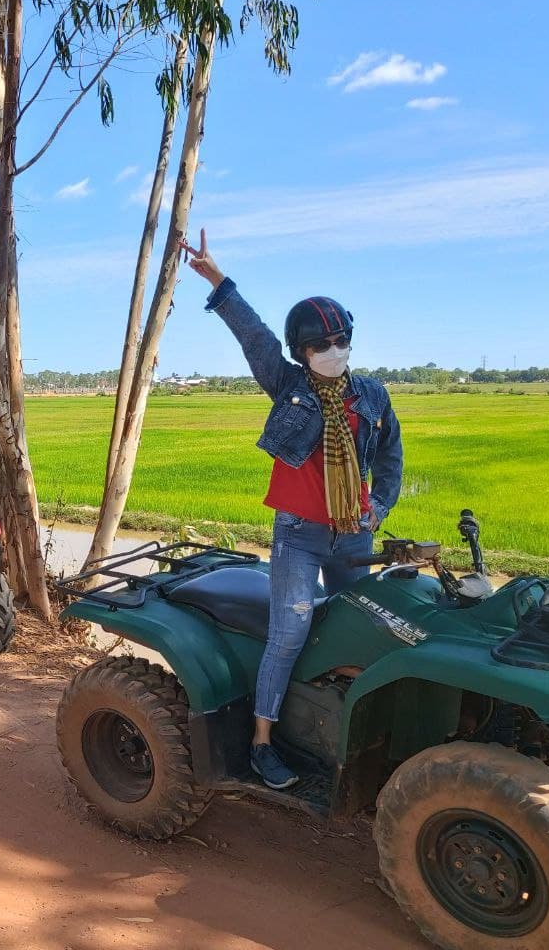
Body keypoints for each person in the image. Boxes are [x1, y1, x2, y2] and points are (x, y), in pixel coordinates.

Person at [183, 229, 403, 790]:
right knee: (289, 631)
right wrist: (218, 281)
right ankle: (262, 743)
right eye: (318, 346)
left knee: (370, 625)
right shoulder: (287, 387)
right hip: (299, 536)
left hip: (352, 534)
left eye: (339, 342)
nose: (332, 353)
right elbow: (253, 336)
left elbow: (392, 459)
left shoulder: (372, 396)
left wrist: (377, 507)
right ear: (301, 353)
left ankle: (348, 728)